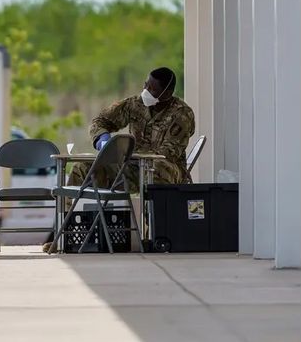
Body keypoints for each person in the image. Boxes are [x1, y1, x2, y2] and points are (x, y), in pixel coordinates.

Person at [43, 67, 196, 252]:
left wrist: (126, 154)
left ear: (167, 93)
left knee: (156, 168)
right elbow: (100, 121)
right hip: (130, 168)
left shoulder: (182, 114)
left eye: (153, 89)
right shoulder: (134, 104)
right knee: (82, 168)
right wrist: (103, 140)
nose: (146, 91)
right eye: (146, 85)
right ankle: (64, 236)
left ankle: (155, 238)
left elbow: (167, 152)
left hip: (166, 170)